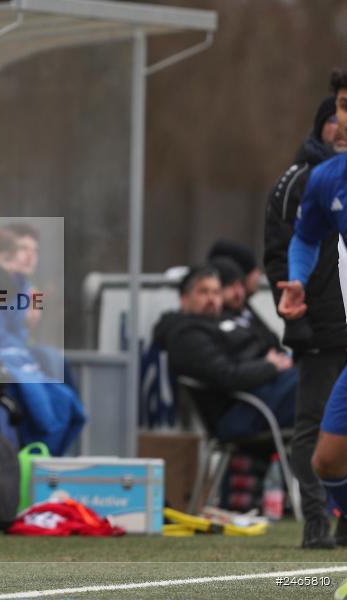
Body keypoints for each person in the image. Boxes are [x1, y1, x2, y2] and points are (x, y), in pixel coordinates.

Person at [264, 94, 347, 549]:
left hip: (344, 326)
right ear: (319, 127)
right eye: (333, 119)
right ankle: (315, 520)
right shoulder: (301, 181)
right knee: (314, 432)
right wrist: (295, 319)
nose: (340, 127)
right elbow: (281, 251)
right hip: (317, 329)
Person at [152, 265, 296, 441]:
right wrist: (270, 366)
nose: (212, 299)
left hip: (263, 395)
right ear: (184, 299)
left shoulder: (222, 322)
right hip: (242, 411)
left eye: (216, 292)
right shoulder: (186, 335)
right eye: (203, 292)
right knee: (314, 383)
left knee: (318, 373)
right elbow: (227, 375)